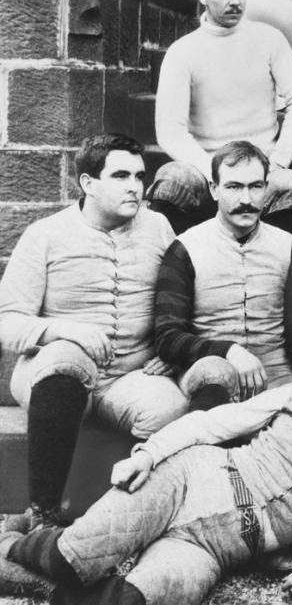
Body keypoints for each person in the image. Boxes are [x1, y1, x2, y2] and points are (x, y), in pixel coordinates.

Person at [0, 323, 292, 605]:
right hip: (190, 479)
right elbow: (213, 424)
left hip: (221, 546)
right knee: (72, 562)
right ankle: (12, 544)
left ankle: (43, 588)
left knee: (135, 599)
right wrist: (149, 455)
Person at [0, 134, 204, 531]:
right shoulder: (46, 234)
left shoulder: (159, 227)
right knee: (66, 360)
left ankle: (137, 520)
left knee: (173, 410)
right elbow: (6, 321)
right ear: (88, 183)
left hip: (130, 375)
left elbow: (180, 296)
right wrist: (63, 329)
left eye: (140, 176)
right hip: (54, 372)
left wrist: (172, 348)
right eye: (121, 175)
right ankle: (43, 514)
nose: (135, 187)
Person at [154, 141, 292, 411]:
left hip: (276, 373)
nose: (246, 199)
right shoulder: (184, 248)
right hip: (213, 373)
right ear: (214, 189)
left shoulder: (287, 245)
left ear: (267, 188)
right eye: (234, 187)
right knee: (216, 377)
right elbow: (167, 337)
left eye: (255, 186)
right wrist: (228, 350)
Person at [151, 0, 292, 233]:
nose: (235, 1)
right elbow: (170, 131)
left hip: (262, 169)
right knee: (171, 180)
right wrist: (213, 171)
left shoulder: (269, 39)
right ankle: (174, 267)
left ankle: (280, 271)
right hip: (206, 172)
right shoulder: (183, 51)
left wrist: (279, 160)